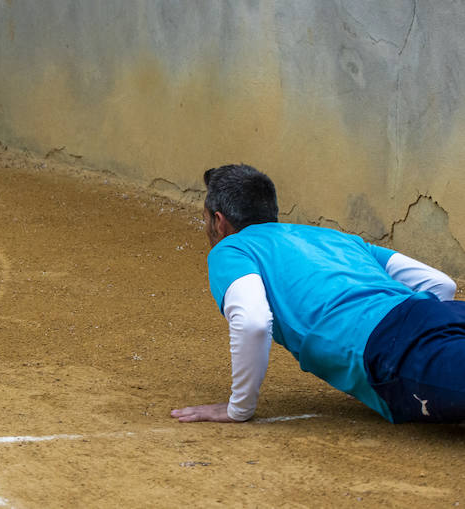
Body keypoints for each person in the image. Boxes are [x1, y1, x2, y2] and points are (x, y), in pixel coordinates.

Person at [174, 164, 465, 424]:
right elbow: (441, 285)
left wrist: (238, 408)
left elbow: (253, 322)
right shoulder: (331, 236)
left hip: (392, 347)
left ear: (219, 221)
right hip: (442, 315)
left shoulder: (232, 247)